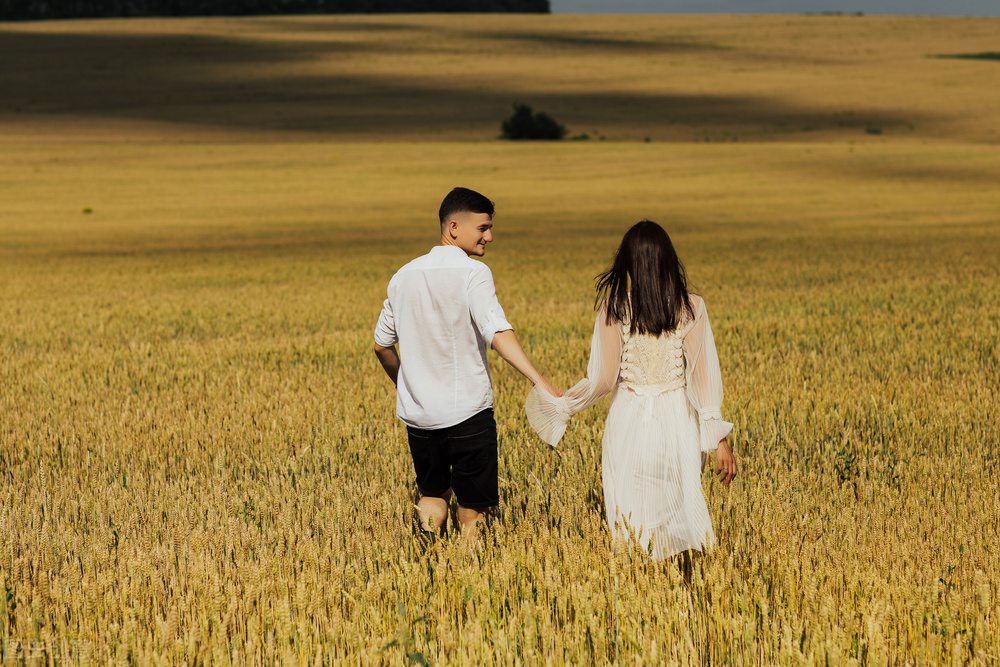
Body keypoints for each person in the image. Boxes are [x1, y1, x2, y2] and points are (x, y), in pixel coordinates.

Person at [526, 220, 737, 560]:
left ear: (628, 264)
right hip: (678, 419)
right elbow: (703, 378)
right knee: (679, 500)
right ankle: (678, 581)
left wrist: (564, 406)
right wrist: (718, 440)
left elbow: (604, 380)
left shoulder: (614, 308)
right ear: (669, 259)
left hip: (629, 418)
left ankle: (641, 578)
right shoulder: (691, 306)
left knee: (632, 504)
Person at [374, 187, 559, 548]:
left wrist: (406, 386)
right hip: (467, 414)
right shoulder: (474, 272)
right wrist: (540, 381)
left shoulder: (403, 275)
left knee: (432, 494)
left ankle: (426, 559)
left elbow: (382, 346)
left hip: (419, 418)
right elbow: (498, 333)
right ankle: (464, 576)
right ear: (454, 227)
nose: (490, 236)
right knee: (472, 510)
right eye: (483, 228)